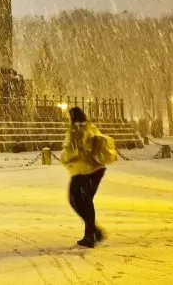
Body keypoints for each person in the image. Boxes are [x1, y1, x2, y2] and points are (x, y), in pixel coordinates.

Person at [61, 106, 117, 248]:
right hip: (97, 169)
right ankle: (92, 234)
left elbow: (72, 151)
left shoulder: (76, 129)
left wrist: (63, 157)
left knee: (75, 200)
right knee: (86, 201)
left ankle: (93, 233)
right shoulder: (90, 126)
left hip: (84, 170)